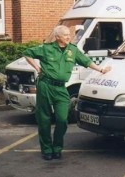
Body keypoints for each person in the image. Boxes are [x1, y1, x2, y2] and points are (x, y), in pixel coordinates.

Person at [24, 25, 112, 161]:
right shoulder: (46, 48)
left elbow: (86, 61)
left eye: (69, 35)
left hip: (61, 89)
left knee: (62, 119)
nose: (68, 37)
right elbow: (27, 53)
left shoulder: (73, 50)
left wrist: (100, 70)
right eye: (65, 35)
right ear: (58, 36)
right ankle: (47, 149)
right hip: (45, 86)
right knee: (44, 119)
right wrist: (37, 67)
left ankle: (57, 147)